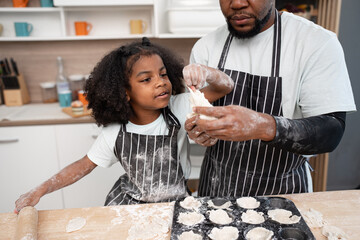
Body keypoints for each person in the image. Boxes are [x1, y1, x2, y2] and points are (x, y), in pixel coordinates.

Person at [14, 37, 234, 212]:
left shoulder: (177, 107)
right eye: (146, 79)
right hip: (130, 206)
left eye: (163, 74)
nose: (160, 82)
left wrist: (207, 72)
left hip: (175, 203)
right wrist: (41, 189)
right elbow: (82, 167)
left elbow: (225, 86)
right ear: (125, 92)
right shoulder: (115, 132)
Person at [185, 0, 356, 197]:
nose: (237, 3)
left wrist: (262, 126)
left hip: (282, 193)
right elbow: (198, 115)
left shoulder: (316, 43)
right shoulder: (206, 46)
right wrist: (200, 131)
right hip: (215, 188)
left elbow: (331, 131)